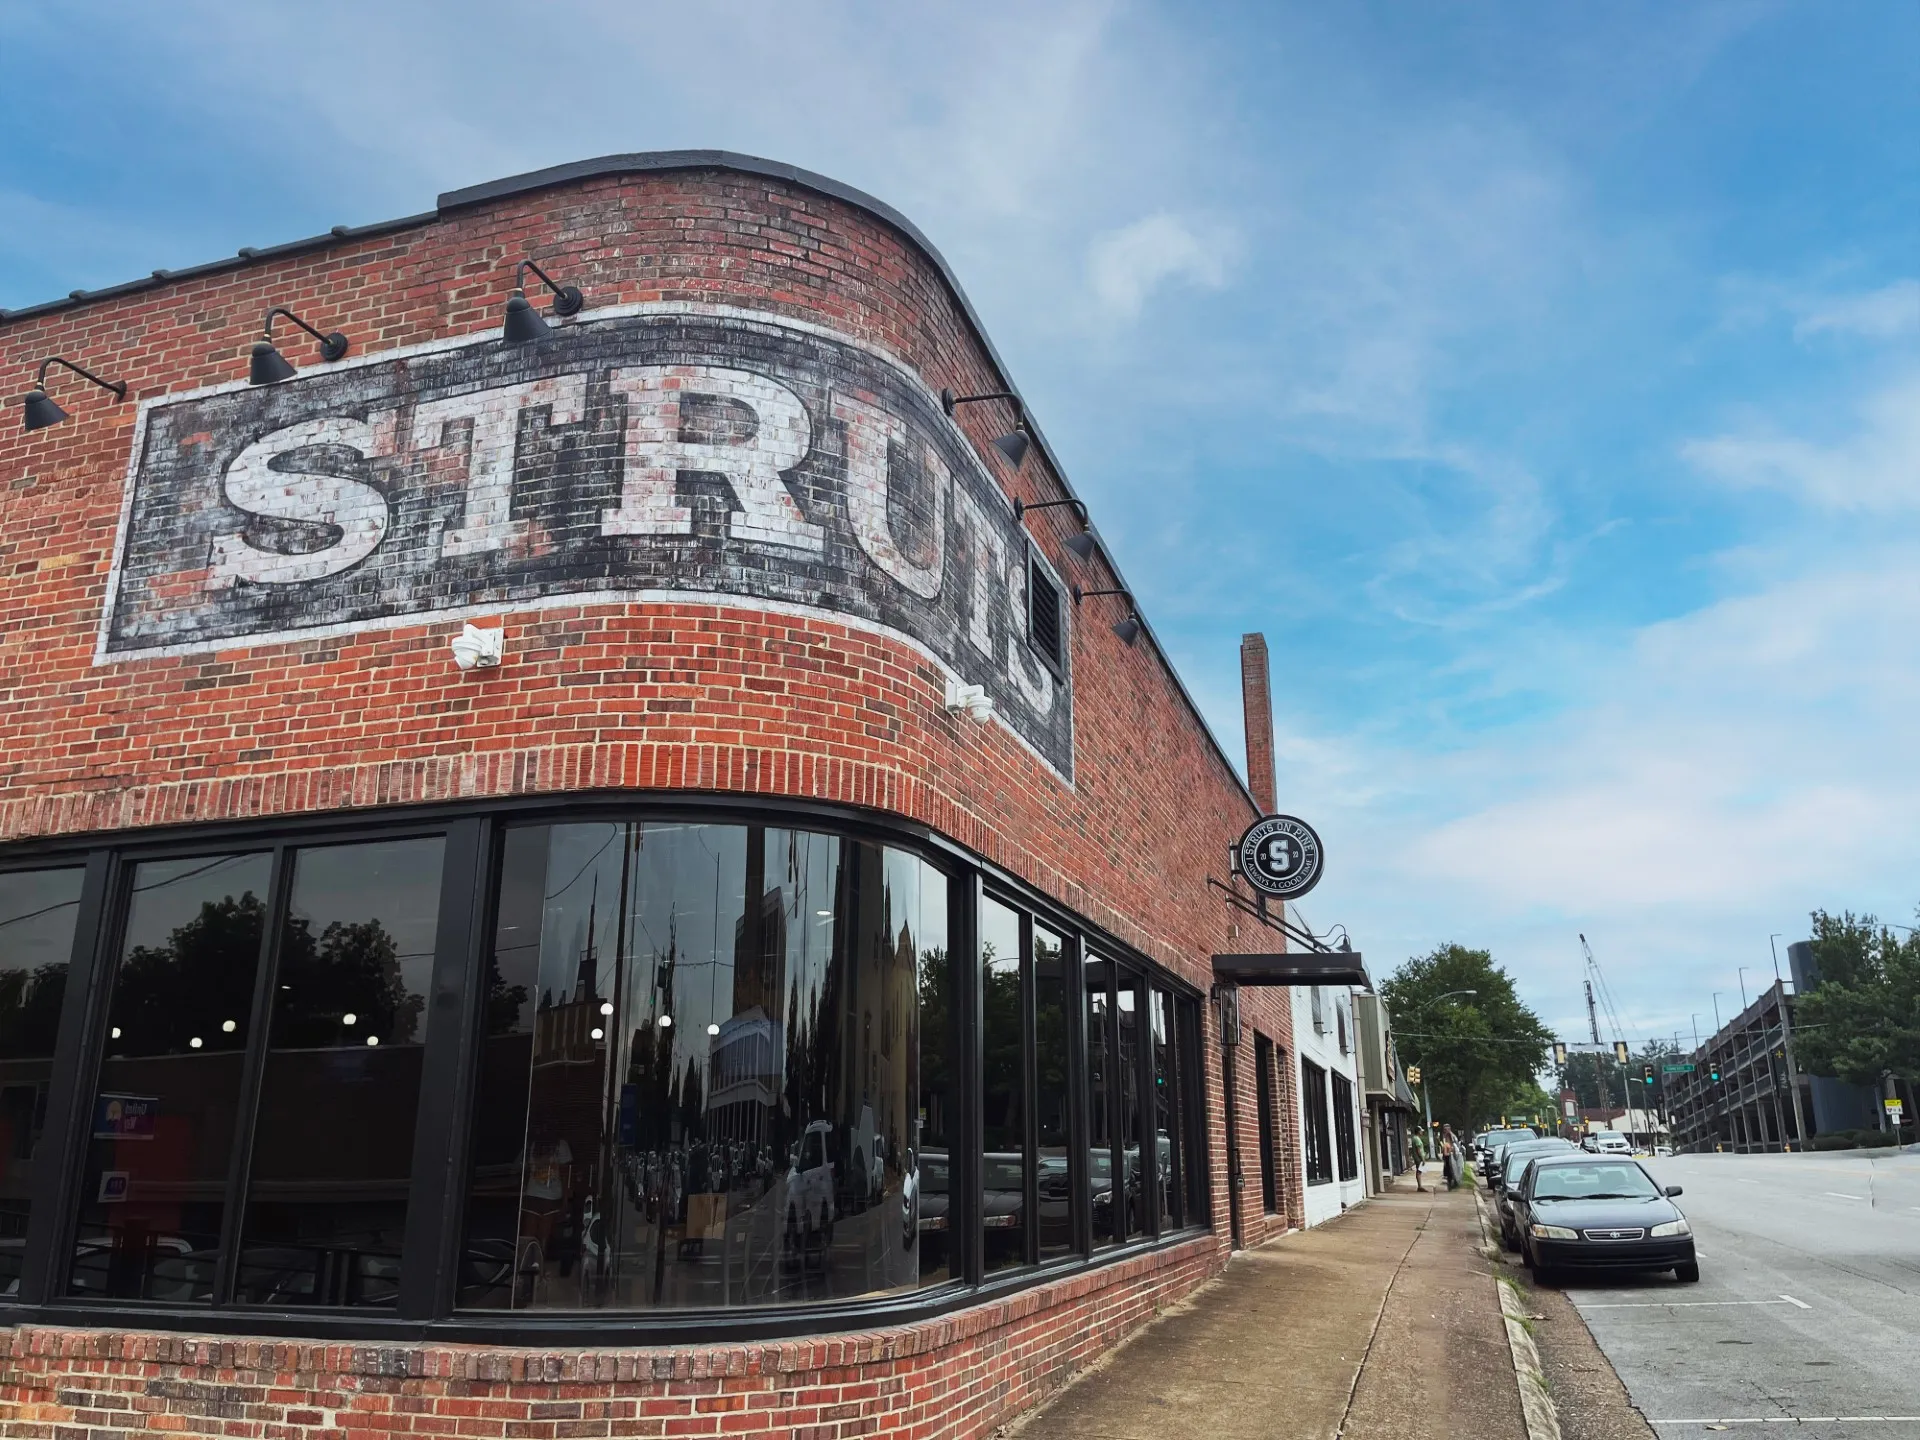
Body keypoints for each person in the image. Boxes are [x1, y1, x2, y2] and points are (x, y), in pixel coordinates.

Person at [1439, 1124, 1460, 1190]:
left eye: (1446, 1129)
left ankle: (1452, 1183)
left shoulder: (1452, 1136)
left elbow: (1455, 1145)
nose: (1445, 1131)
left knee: (1452, 1170)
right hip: (1447, 1156)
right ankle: (1450, 1183)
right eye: (1444, 1129)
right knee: (1448, 1171)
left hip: (1451, 1156)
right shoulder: (1444, 1136)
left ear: (1449, 1129)